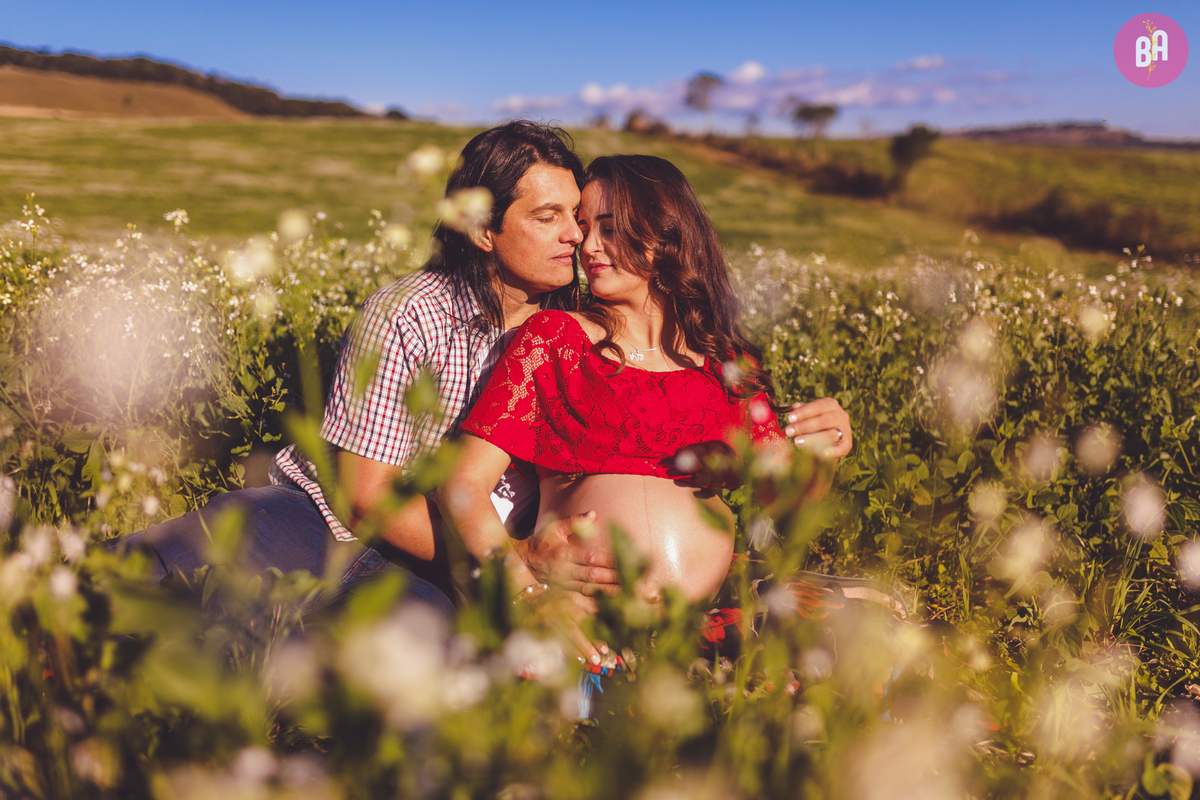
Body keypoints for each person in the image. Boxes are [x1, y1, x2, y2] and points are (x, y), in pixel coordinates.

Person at [106, 121, 618, 617]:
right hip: (318, 516)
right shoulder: (409, 313)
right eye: (547, 217)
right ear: (484, 230)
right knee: (152, 574)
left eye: (576, 215)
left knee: (373, 660)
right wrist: (509, 558)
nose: (575, 235)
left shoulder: (582, 330)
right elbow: (365, 498)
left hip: (440, 562)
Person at [438, 154, 853, 658]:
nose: (587, 245)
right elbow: (461, 485)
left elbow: (789, 502)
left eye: (610, 229)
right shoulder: (555, 340)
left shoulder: (727, 362)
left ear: (665, 235)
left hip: (703, 630)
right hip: (580, 625)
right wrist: (526, 595)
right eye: (585, 228)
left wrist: (825, 449)